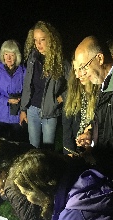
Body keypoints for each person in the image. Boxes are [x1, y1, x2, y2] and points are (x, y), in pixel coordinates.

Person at [20, 20, 70, 149]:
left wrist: (59, 99)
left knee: (48, 148)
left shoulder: (60, 61)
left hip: (49, 111)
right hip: (32, 109)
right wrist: (23, 109)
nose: (38, 44)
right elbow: (27, 85)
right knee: (33, 148)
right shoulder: (32, 58)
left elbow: (74, 85)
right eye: (35, 40)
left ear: (51, 39)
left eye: (42, 39)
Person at [0, 39, 27, 142]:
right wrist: (7, 100)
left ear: (17, 55)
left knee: (17, 143)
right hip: (1, 115)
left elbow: (28, 91)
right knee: (1, 144)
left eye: (12, 54)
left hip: (17, 114)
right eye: (6, 54)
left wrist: (21, 102)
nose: (8, 58)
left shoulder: (23, 70)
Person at [62, 59, 100, 155]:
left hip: (97, 147)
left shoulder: (101, 93)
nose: (78, 75)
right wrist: (68, 152)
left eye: (81, 68)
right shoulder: (73, 93)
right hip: (78, 145)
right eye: (75, 70)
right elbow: (67, 126)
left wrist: (89, 133)